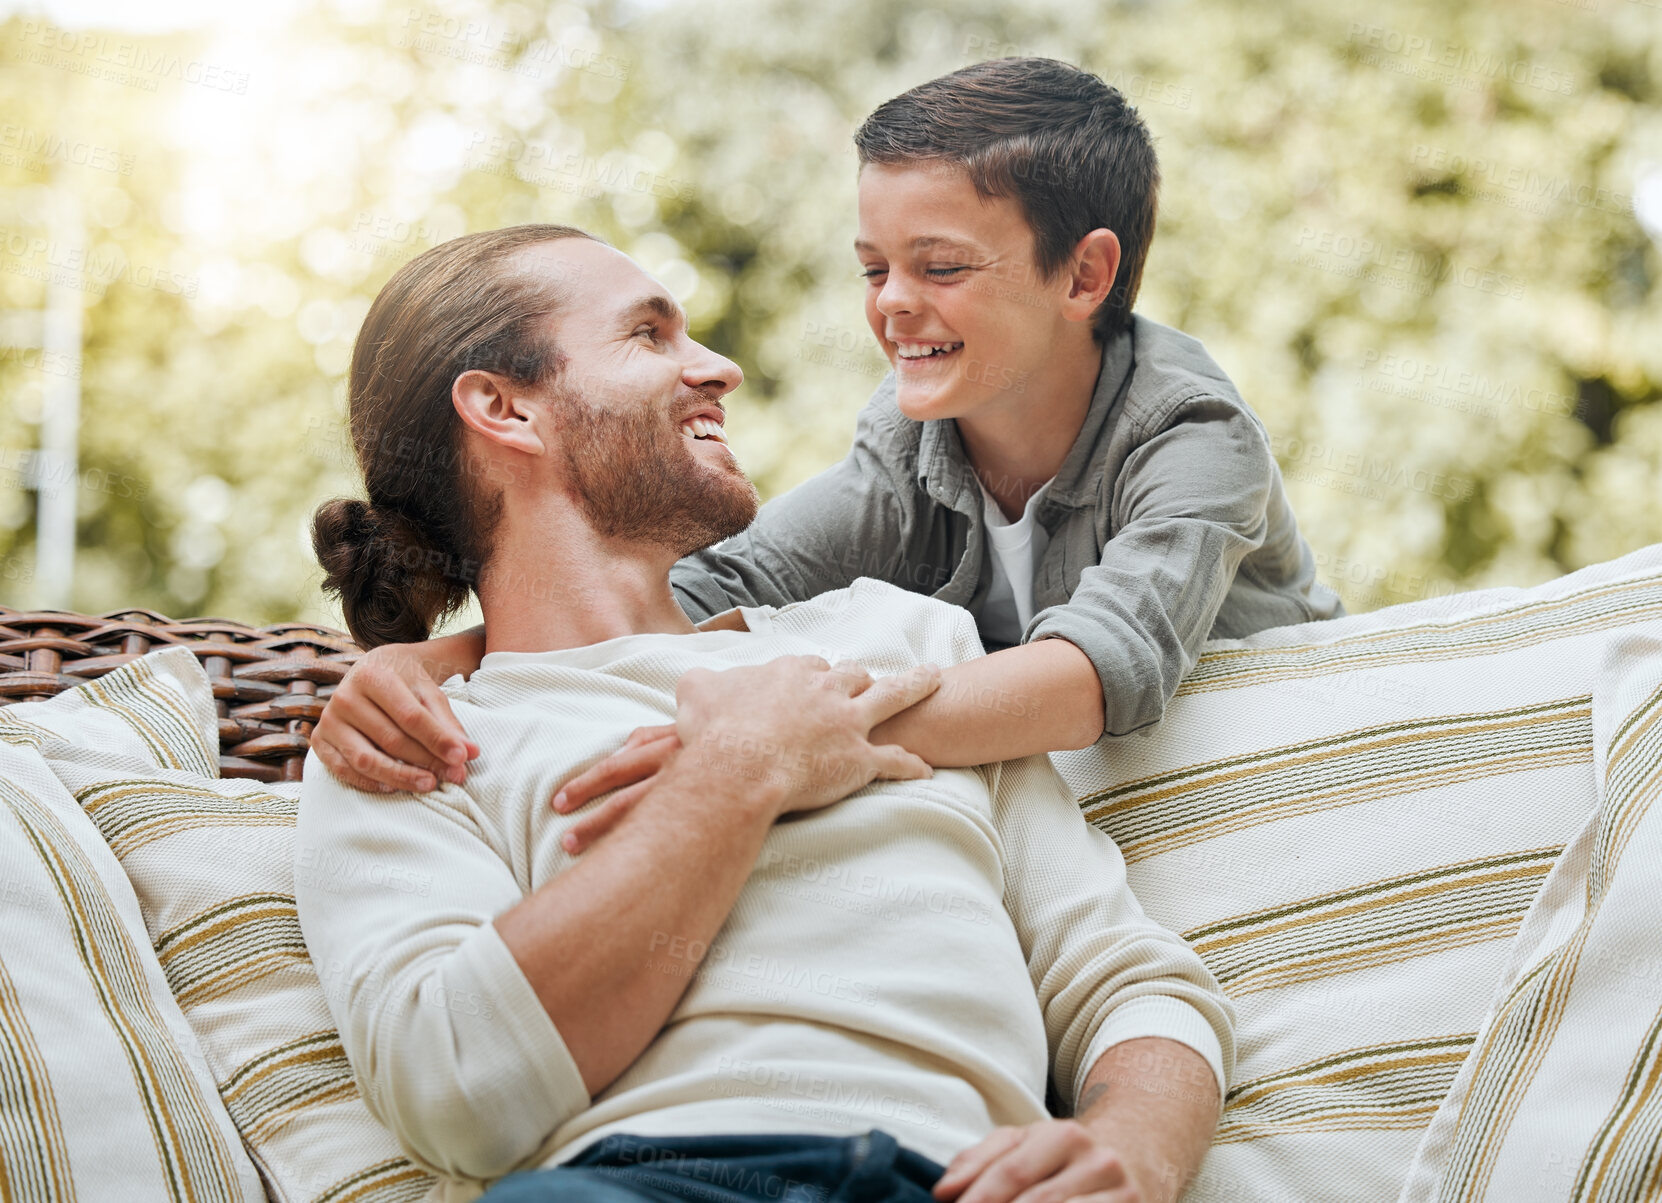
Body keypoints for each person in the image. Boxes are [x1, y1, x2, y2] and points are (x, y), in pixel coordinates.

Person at [297, 224, 1234, 1203]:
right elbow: (455, 1093)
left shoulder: (901, 642)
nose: (719, 369)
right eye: (651, 336)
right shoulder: (410, 742)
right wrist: (739, 769)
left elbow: (1128, 980)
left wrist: (1135, 1146)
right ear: (504, 408)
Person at [306, 58, 1342, 817]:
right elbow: (706, 597)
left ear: (1082, 276)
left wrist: (784, 743)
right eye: (872, 268)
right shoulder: (910, 448)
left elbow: (1089, 677)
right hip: (1081, 813)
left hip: (1272, 781)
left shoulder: (1190, 435)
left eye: (939, 269)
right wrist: (439, 666)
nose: (892, 304)